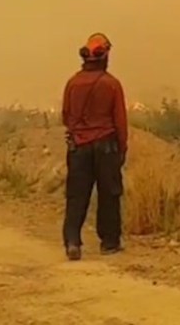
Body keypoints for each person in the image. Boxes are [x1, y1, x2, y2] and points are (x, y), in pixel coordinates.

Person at [61, 32, 128, 261]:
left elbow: (66, 116)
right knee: (109, 194)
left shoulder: (72, 83)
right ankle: (109, 243)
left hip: (78, 147)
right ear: (105, 55)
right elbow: (120, 122)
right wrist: (121, 149)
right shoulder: (112, 85)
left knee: (76, 195)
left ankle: (72, 241)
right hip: (106, 146)